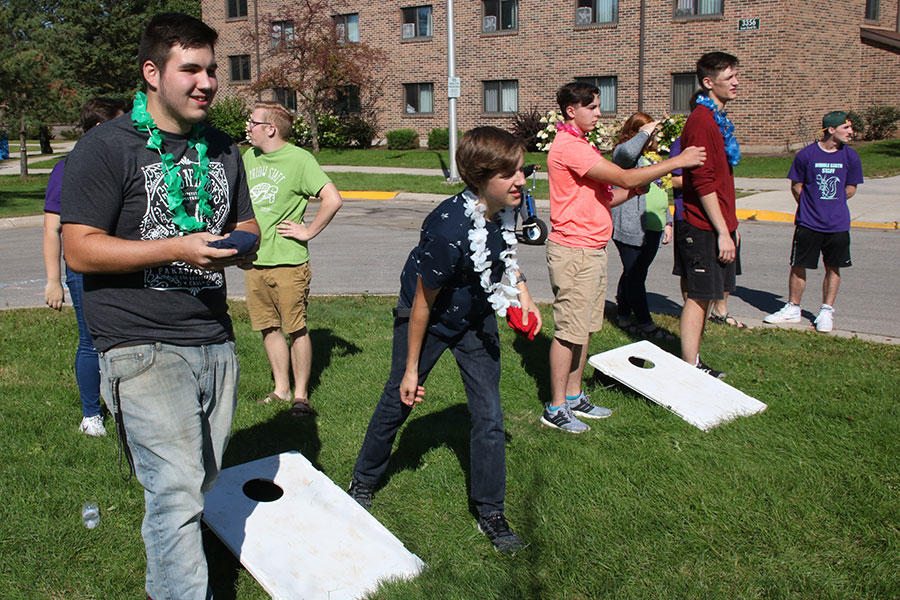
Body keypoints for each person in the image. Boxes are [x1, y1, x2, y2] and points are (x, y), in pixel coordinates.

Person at [59, 13, 259, 599]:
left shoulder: (221, 147)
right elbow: (79, 247)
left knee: (199, 482)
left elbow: (244, 221)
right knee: (173, 492)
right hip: (140, 345)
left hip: (213, 340)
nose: (207, 83)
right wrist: (178, 247)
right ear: (152, 73)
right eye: (190, 69)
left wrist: (239, 246)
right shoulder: (106, 147)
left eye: (212, 71)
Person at [348, 127, 542, 553]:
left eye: (522, 170)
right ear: (478, 177)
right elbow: (420, 305)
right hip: (429, 318)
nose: (522, 180)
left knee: (489, 413)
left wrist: (523, 292)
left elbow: (506, 253)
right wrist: (413, 369)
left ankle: (491, 511)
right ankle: (362, 480)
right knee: (400, 396)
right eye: (509, 173)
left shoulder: (508, 205)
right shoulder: (447, 229)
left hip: (474, 315)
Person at [544, 81, 705, 433]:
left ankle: (573, 397)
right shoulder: (570, 147)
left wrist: (632, 191)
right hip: (575, 250)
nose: (599, 112)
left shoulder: (581, 144)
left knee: (584, 329)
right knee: (569, 331)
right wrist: (676, 162)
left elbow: (607, 196)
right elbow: (623, 173)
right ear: (572, 111)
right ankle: (555, 408)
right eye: (592, 107)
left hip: (592, 248)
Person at [243, 101, 343, 415]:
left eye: (253, 122)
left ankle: (301, 395)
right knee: (268, 327)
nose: (248, 126)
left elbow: (332, 198)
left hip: (288, 261)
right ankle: (281, 389)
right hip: (255, 261)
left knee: (295, 328)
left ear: (270, 128)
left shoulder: (300, 160)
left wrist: (309, 231)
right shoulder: (249, 157)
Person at [42, 97, 127, 437]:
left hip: (124, 263)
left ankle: (129, 409)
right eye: (120, 124)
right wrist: (53, 280)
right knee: (90, 341)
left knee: (127, 339)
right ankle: (92, 415)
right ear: (98, 128)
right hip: (84, 270)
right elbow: (52, 228)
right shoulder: (69, 166)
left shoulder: (125, 160)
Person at [764, 111, 862, 333]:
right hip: (808, 223)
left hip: (837, 224)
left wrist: (834, 201)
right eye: (846, 128)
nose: (850, 132)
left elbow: (851, 187)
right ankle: (793, 308)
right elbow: (796, 185)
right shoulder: (806, 155)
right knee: (799, 265)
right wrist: (810, 204)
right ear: (831, 130)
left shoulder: (850, 157)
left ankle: (826, 311)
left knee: (833, 267)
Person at [676, 51, 741, 379]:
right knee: (700, 296)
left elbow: (721, 179)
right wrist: (722, 231)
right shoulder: (701, 121)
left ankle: (694, 360)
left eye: (735, 76)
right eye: (729, 78)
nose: (736, 83)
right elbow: (702, 182)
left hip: (717, 224)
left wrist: (732, 225)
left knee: (708, 294)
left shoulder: (717, 119)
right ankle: (690, 365)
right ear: (708, 82)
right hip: (701, 225)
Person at [610, 112, 675, 340]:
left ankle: (624, 315)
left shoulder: (653, 157)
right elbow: (628, 152)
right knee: (636, 274)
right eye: (648, 132)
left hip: (653, 226)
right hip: (630, 225)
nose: (652, 137)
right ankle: (646, 323)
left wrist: (667, 221)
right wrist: (644, 132)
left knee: (635, 272)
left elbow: (661, 189)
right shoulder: (624, 155)